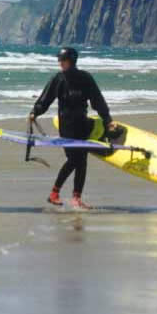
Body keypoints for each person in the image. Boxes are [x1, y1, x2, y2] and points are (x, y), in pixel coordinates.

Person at [29, 47, 115, 208]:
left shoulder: (85, 78)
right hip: (67, 126)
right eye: (59, 60)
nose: (59, 63)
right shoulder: (58, 79)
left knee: (81, 161)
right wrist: (36, 112)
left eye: (62, 60)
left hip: (82, 125)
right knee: (74, 159)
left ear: (71, 61)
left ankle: (75, 198)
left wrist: (107, 119)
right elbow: (46, 98)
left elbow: (98, 101)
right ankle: (55, 193)